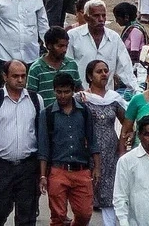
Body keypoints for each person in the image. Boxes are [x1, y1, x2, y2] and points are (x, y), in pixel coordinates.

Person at [0, 59, 41, 226]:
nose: (20, 80)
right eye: (15, 76)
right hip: (0, 167)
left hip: (28, 167)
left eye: (23, 76)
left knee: (27, 216)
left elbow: (42, 135)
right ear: (5, 76)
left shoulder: (35, 100)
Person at [38, 72, 94, 226]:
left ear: (73, 91)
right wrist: (42, 175)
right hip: (58, 170)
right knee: (58, 216)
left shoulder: (84, 111)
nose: (62, 96)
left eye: (66, 92)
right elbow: (43, 146)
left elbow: (92, 140)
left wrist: (97, 168)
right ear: (54, 91)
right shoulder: (47, 114)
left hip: (81, 169)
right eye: (59, 92)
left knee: (84, 214)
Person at [81, 59, 128, 226]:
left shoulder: (114, 99)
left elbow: (127, 124)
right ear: (89, 76)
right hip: (88, 152)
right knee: (86, 193)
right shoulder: (82, 98)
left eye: (106, 71)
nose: (104, 74)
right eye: (99, 71)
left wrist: (122, 146)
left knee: (110, 192)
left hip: (110, 151)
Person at [66, 0, 138, 91]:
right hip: (80, 94)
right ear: (86, 17)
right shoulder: (73, 36)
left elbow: (125, 68)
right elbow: (68, 67)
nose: (101, 19)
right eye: (96, 16)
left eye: (103, 16)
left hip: (107, 95)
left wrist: (137, 91)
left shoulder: (114, 38)